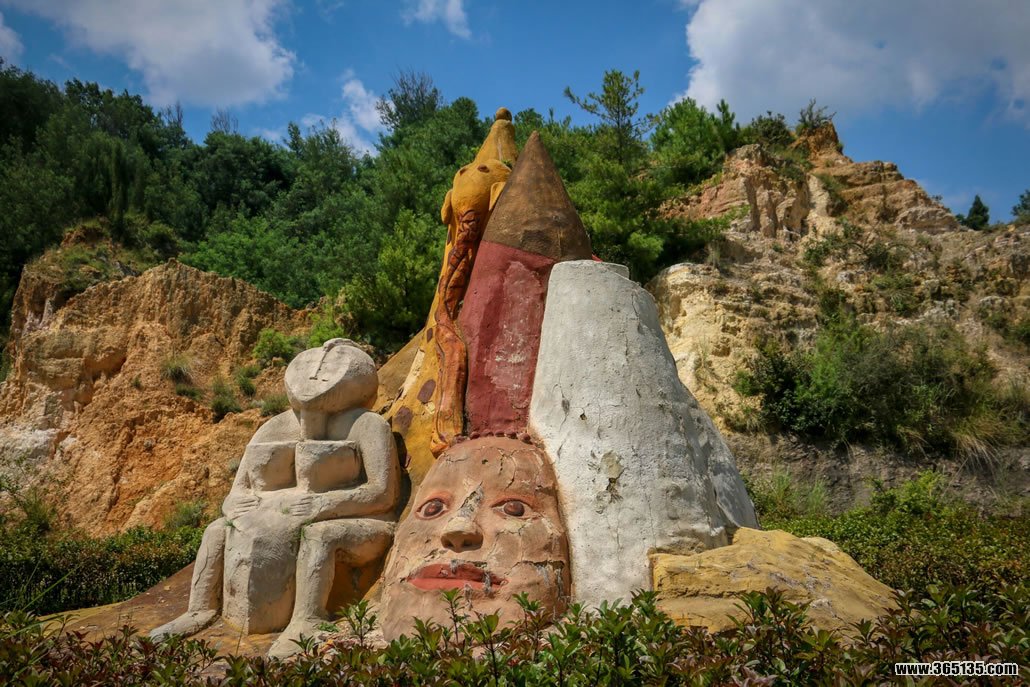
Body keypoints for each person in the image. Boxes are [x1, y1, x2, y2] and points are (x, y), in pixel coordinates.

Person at [150, 340, 399, 658]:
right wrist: (235, 503)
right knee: (217, 530)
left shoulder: (368, 425)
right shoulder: (276, 426)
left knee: (319, 535)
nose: (318, 371)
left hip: (362, 522)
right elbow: (237, 490)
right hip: (283, 516)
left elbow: (382, 493)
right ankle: (199, 610)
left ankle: (306, 619)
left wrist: (324, 504)